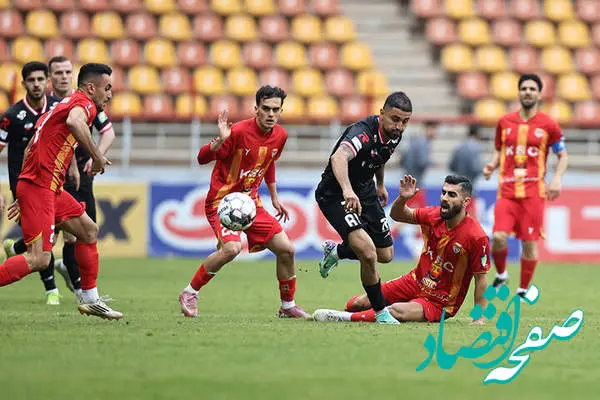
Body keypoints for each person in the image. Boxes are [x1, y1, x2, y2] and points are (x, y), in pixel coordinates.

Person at [0, 63, 123, 320]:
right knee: (39, 259)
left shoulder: (63, 104)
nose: (110, 94)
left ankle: (90, 300)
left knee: (88, 231)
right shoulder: (84, 105)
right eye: (107, 88)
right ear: (91, 88)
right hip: (40, 187)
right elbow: (74, 122)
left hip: (46, 187)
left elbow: (31, 147)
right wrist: (97, 156)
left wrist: (25, 189)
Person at [178, 86, 310, 319]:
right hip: (223, 202)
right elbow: (201, 158)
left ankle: (287, 306)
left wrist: (274, 197)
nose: (271, 114)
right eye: (266, 108)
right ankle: (190, 292)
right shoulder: (238, 132)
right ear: (256, 109)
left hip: (250, 203)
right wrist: (220, 141)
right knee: (232, 249)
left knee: (287, 250)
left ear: (281, 111)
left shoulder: (281, 135)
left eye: (276, 110)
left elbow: (268, 162)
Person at [312, 175, 490, 324]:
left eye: (452, 195)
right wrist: (403, 199)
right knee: (357, 303)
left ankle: (343, 318)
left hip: (439, 302)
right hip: (415, 281)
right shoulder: (433, 215)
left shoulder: (476, 236)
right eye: (443, 192)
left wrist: (479, 318)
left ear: (466, 201)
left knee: (395, 311)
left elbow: (481, 278)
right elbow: (397, 215)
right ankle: (350, 314)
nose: (444, 198)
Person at [315, 92, 412, 324]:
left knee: (385, 255)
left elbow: (381, 156)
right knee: (368, 253)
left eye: (405, 121)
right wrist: (347, 190)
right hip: (335, 193)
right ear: (382, 113)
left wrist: (380, 184)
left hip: (365, 190)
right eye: (395, 119)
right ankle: (381, 313)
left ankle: (337, 252)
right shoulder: (362, 133)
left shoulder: (394, 134)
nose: (399, 126)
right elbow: (338, 158)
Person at [483, 73, 568, 297]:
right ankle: (502, 274)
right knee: (498, 237)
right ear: (519, 93)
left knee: (529, 243)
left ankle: (522, 289)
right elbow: (499, 149)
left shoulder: (549, 125)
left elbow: (563, 155)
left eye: (532, 89)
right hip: (507, 191)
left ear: (539, 95)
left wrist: (557, 178)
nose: (527, 92)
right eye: (524, 88)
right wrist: (492, 164)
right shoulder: (504, 122)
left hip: (533, 193)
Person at [0, 62, 62, 304]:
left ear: (48, 82)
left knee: (55, 235)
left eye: (40, 79)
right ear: (24, 83)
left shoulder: (57, 108)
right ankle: (51, 290)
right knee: (42, 242)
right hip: (25, 187)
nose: (36, 84)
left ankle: (15, 249)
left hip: (53, 184)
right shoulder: (12, 116)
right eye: (31, 80)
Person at [400, 120, 438, 209]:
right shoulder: (423, 143)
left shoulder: (416, 141)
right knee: (419, 212)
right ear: (428, 129)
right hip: (415, 185)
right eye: (434, 129)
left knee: (408, 210)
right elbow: (422, 162)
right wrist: (433, 164)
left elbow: (403, 160)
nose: (435, 133)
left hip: (409, 183)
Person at [449, 124, 483, 217]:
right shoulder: (475, 147)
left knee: (458, 218)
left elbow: (451, 166)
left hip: (457, 189)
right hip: (469, 189)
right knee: (470, 219)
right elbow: (476, 168)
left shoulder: (459, 146)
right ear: (478, 133)